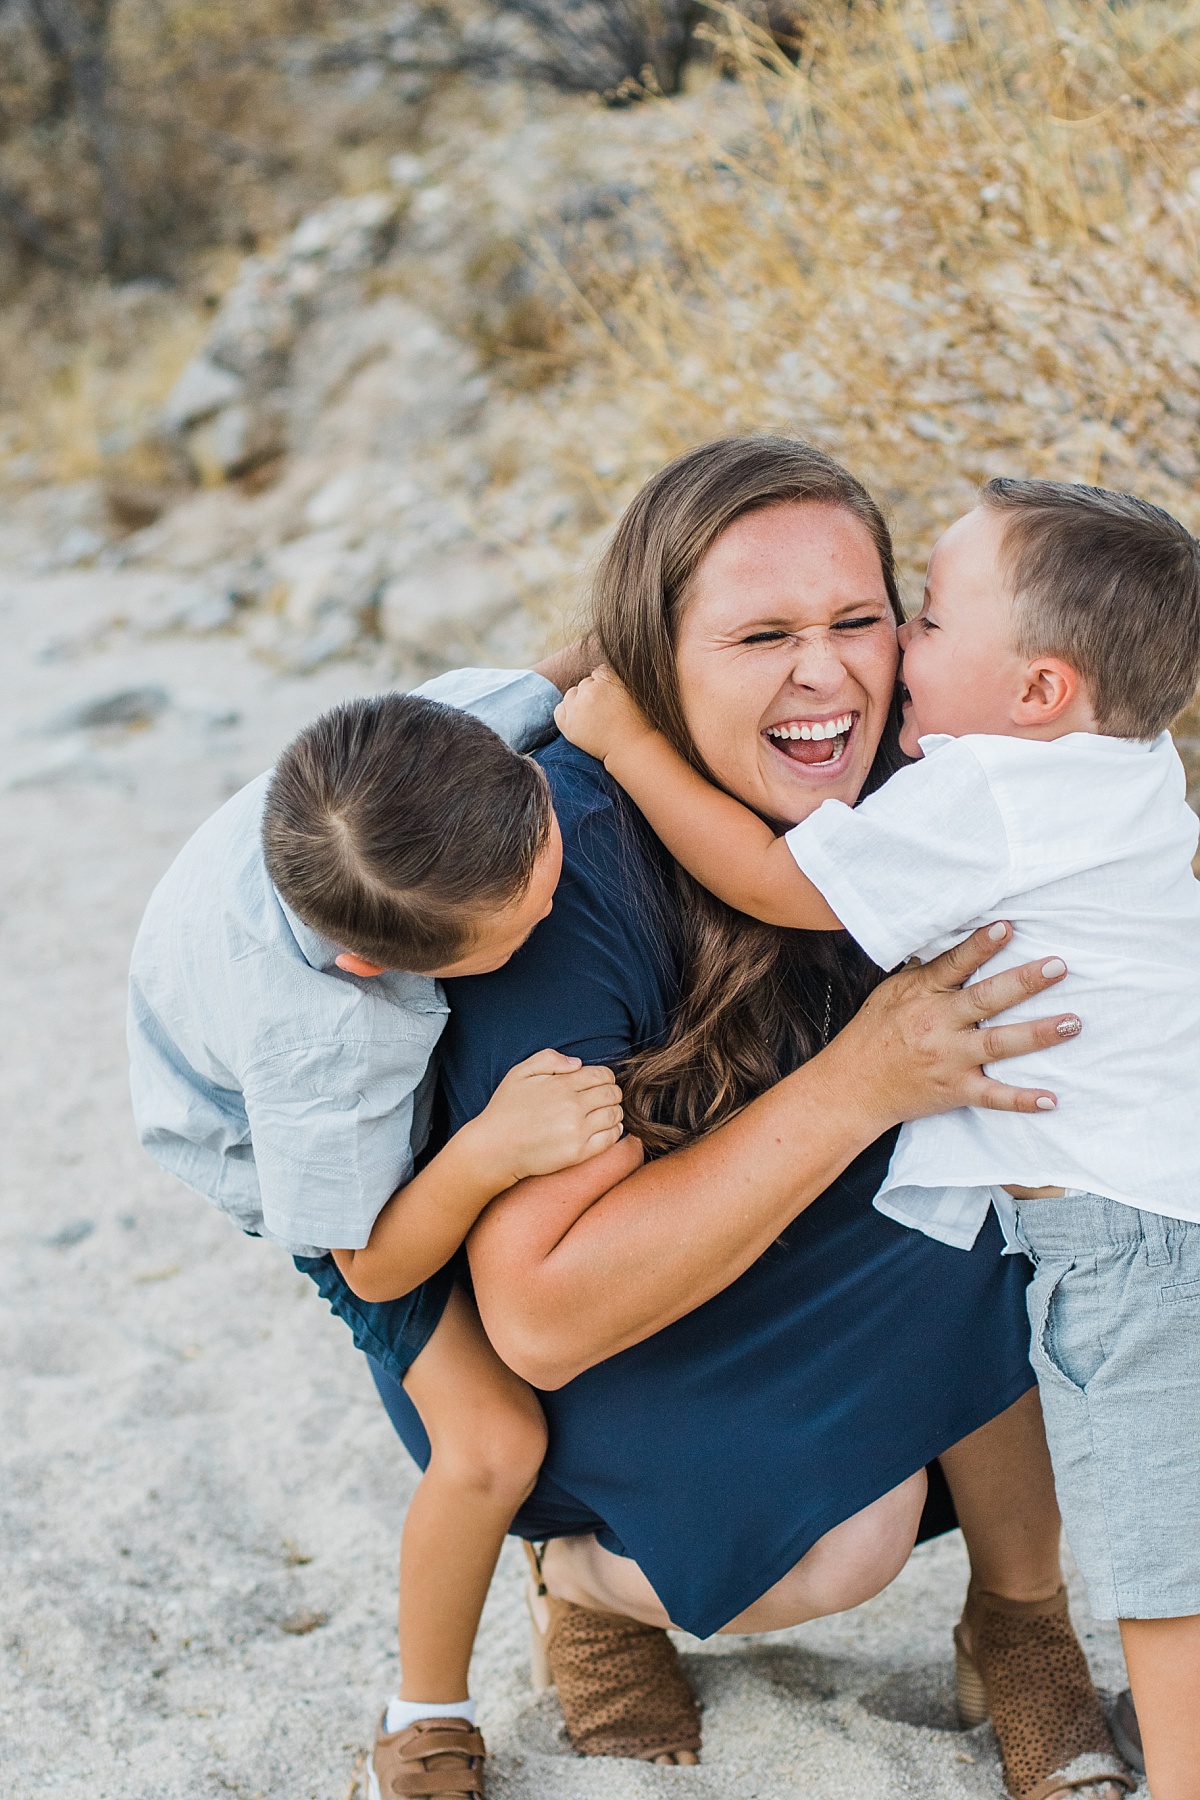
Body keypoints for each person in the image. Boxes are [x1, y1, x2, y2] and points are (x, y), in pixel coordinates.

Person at [368, 438, 1130, 1800]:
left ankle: (1023, 1621)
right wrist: (858, 1083)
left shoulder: (940, 787)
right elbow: (538, 1312)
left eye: (858, 622)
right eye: (761, 635)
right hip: (596, 1345)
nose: (825, 674)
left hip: (823, 1256)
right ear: (656, 662)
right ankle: (592, 1584)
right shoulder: (564, 859)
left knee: (1023, 1126)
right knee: (832, 1553)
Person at [556, 475, 1200, 1800]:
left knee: (1162, 1527)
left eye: (915, 618)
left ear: (1037, 691)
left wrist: (625, 740)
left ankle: (1124, 1715)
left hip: (1122, 1222)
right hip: (1114, 1188)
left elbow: (779, 885)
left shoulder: (988, 794)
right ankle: (1020, 1628)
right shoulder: (1121, 757)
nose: (894, 651)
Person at [128, 662, 623, 1800]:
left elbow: (566, 662)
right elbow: (373, 1254)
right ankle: (421, 1718)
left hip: (269, 938)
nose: (556, 900)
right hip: (278, 1148)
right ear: (380, 966)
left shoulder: (437, 756)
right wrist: (489, 1150)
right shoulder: (323, 1043)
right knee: (493, 1443)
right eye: (527, 919)